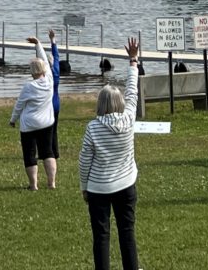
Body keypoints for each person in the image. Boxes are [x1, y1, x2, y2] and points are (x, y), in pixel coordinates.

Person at [79, 37, 141, 270]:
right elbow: (133, 91)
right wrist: (133, 61)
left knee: (101, 236)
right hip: (126, 184)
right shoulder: (128, 119)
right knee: (127, 232)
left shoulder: (93, 127)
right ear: (120, 103)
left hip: (99, 187)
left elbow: (85, 160)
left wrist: (84, 186)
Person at [10, 35, 56, 190]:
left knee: (30, 154)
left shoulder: (28, 87)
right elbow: (44, 61)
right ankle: (51, 183)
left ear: (32, 72)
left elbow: (19, 105)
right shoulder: (50, 81)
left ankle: (33, 185)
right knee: (48, 152)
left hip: (29, 125)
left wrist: (13, 119)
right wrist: (38, 44)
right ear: (44, 69)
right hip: (47, 123)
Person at [48, 29, 62, 160]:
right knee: (54, 129)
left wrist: (37, 44)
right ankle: (55, 152)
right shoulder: (56, 72)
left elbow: (54, 57)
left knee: (47, 130)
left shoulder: (46, 76)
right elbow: (56, 56)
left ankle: (49, 152)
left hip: (47, 105)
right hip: (56, 104)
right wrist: (53, 41)